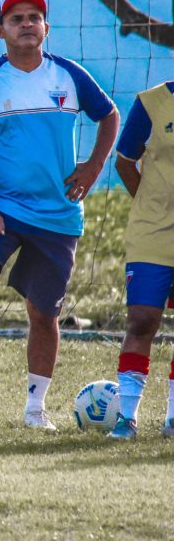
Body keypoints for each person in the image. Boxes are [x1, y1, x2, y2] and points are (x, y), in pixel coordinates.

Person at [0, 0, 118, 430]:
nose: (26, 24)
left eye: (34, 17)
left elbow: (110, 115)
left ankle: (36, 409)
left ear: (46, 28)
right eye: (16, 19)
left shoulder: (69, 75)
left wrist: (93, 167)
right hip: (7, 207)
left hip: (58, 213)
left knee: (43, 313)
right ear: (1, 31)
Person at [107, 79, 174, 440]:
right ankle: (126, 419)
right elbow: (124, 162)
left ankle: (172, 420)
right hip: (153, 233)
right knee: (142, 322)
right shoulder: (151, 102)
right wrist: (150, 205)